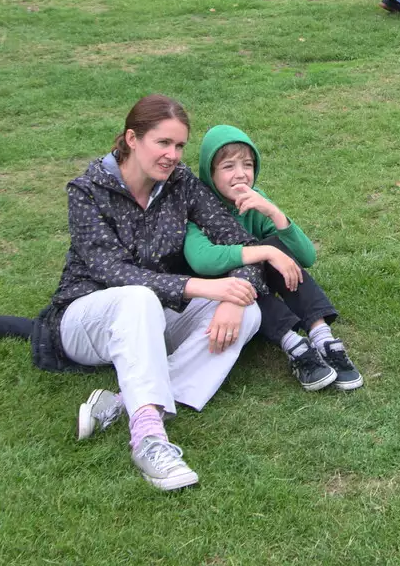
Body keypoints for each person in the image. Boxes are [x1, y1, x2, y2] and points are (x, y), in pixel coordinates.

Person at [26, 96, 267, 491]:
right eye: (163, 143)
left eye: (179, 146)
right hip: (85, 320)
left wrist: (231, 298)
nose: (173, 155)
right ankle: (149, 440)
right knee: (137, 296)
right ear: (132, 139)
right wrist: (202, 286)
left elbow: (237, 240)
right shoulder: (86, 190)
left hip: (154, 314)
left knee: (248, 314)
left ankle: (122, 403)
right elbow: (113, 272)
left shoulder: (180, 183)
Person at [184, 125, 362, 392]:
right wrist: (265, 252)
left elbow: (306, 256)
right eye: (228, 166)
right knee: (249, 266)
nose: (241, 174)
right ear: (209, 172)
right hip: (220, 289)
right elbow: (201, 260)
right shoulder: (195, 206)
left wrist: (274, 214)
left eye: (247, 164)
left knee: (278, 245)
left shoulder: (256, 201)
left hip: (261, 278)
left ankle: (322, 336)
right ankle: (295, 346)